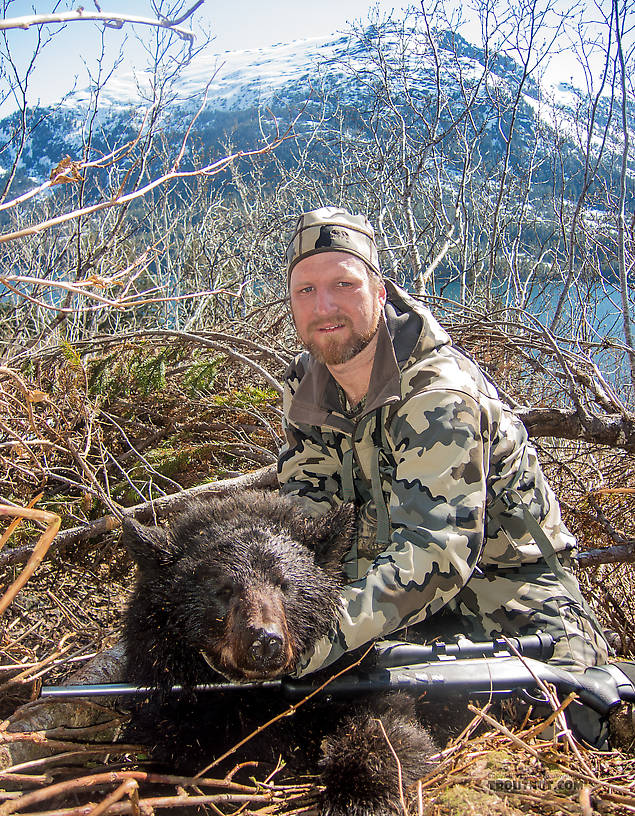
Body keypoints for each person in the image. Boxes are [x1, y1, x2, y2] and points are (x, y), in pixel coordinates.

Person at [277, 205, 609, 688]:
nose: (324, 306)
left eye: (343, 284)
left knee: (533, 727)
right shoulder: (309, 388)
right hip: (392, 608)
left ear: (379, 290)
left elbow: (436, 554)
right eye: (306, 290)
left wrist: (313, 638)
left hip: (512, 612)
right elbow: (305, 517)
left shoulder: (439, 396)